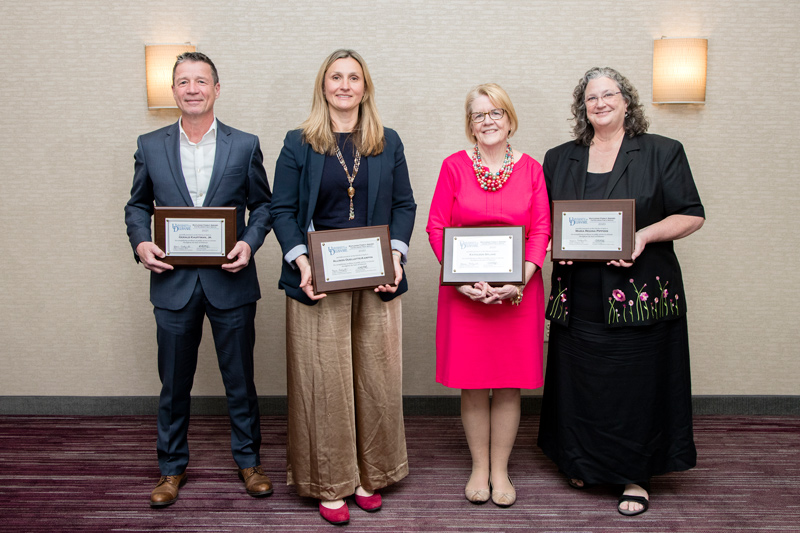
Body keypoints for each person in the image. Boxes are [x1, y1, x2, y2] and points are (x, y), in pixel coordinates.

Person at [537, 67, 705, 516]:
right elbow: (547, 222)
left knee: (636, 387)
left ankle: (636, 474)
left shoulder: (662, 152)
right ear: (582, 107)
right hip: (579, 296)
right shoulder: (559, 158)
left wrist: (644, 236)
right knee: (582, 383)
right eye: (591, 98)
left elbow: (691, 215)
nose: (600, 103)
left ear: (627, 101)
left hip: (639, 294)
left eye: (609, 94)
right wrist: (556, 245)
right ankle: (583, 461)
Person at [270, 49, 416, 525]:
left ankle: (368, 474)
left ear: (365, 87)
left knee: (376, 379)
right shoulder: (298, 142)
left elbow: (405, 205)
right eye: (336, 77)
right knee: (324, 383)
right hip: (319, 278)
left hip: (377, 277)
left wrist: (395, 255)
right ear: (323, 86)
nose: (345, 85)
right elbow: (282, 211)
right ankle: (330, 480)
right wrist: (300, 260)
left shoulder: (387, 141)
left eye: (354, 77)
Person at [124, 52, 273, 507]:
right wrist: (140, 243)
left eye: (201, 81)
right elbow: (136, 206)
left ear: (216, 89)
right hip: (173, 285)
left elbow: (264, 206)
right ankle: (171, 469)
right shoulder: (150, 145)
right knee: (173, 383)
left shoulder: (244, 145)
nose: (193, 89)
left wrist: (249, 244)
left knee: (240, 381)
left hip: (230, 283)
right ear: (173, 90)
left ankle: (249, 462)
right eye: (184, 81)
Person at [426, 84, 551, 508]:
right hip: (466, 296)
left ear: (510, 119)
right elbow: (436, 227)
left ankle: (501, 469)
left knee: (511, 384)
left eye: (496, 112)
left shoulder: (532, 169)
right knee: (474, 385)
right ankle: (479, 467)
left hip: (518, 294)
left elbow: (541, 231)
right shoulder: (454, 167)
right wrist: (459, 281)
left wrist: (522, 280)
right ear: (470, 125)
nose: (489, 121)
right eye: (479, 115)